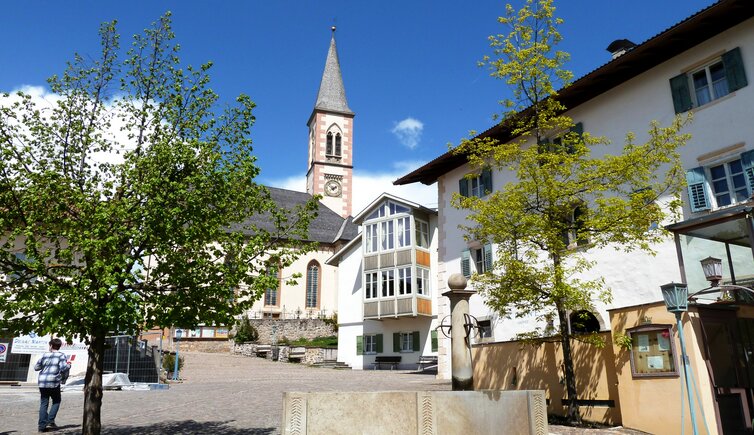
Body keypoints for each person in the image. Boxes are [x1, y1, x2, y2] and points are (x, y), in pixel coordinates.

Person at [34, 338, 70, 433]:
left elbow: (36, 367)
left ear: (50, 345)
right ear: (59, 346)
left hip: (42, 382)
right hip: (53, 382)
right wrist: (69, 365)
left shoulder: (44, 355)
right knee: (56, 401)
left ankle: (41, 427)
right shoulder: (61, 355)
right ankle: (50, 420)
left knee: (44, 403)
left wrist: (45, 366)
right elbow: (63, 368)